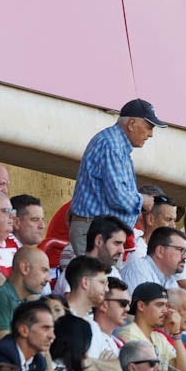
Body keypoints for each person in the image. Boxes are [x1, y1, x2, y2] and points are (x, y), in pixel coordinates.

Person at [68, 100, 164, 257]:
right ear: (131, 124)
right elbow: (117, 196)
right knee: (98, 273)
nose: (151, 134)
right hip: (95, 231)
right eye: (149, 127)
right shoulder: (111, 145)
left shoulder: (116, 144)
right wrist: (143, 200)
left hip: (102, 231)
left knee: (106, 274)